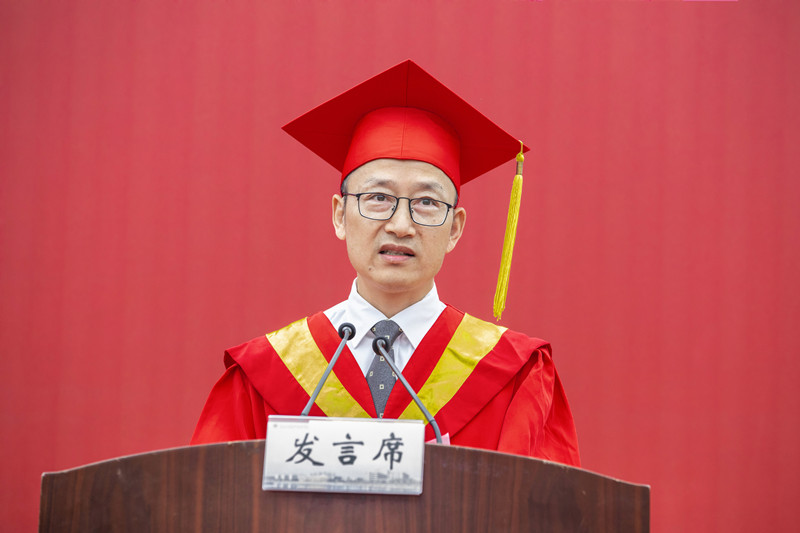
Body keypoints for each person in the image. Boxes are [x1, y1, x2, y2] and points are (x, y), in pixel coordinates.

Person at [191, 60, 580, 466]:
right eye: (378, 198)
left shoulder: (512, 374)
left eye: (426, 203)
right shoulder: (264, 374)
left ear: (454, 229)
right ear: (340, 216)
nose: (400, 225)